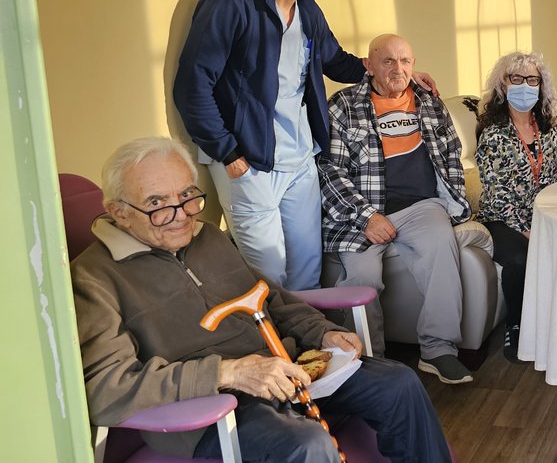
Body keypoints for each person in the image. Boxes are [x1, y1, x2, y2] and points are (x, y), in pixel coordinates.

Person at [71, 137, 451, 463]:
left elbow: (274, 300)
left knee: (399, 382)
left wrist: (322, 333)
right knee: (307, 444)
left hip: (286, 371)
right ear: (118, 212)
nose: (181, 215)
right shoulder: (94, 278)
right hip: (217, 408)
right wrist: (229, 372)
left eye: (187, 196)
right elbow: (106, 387)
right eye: (157, 204)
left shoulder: (208, 238)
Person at [174, 0, 434, 291]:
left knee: (307, 270)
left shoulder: (308, 10)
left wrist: (397, 71)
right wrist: (228, 154)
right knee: (270, 276)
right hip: (250, 162)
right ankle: (277, 350)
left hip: (301, 160)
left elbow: (336, 61)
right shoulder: (230, 5)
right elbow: (192, 87)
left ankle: (313, 348)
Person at [317, 34, 473, 384]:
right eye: (388, 61)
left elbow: (451, 151)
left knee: (441, 248)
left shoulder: (428, 102)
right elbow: (328, 168)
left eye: (405, 61)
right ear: (368, 65)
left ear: (413, 65)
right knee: (362, 279)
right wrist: (366, 216)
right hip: (362, 212)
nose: (397, 69)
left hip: (421, 206)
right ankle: (371, 362)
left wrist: (452, 199)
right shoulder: (342, 105)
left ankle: (438, 351)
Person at [474, 51, 557, 361]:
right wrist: (530, 230)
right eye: (517, 79)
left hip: (548, 213)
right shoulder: (493, 134)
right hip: (504, 219)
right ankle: (517, 327)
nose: (525, 86)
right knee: (520, 258)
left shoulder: (552, 122)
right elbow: (498, 194)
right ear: (503, 84)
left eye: (532, 79)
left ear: (541, 85)